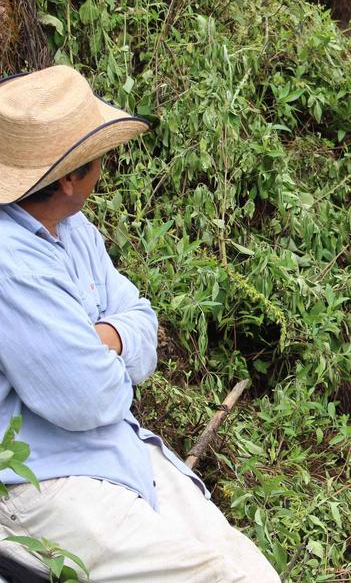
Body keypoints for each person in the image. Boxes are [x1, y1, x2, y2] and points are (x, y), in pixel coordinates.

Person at [0, 66, 279, 582]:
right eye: (98, 155)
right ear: (69, 176)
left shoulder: (73, 228)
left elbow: (144, 324)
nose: (105, 164)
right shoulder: (11, 260)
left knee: (252, 572)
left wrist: (98, 339)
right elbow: (91, 399)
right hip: (37, 481)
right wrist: (111, 344)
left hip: (113, 448)